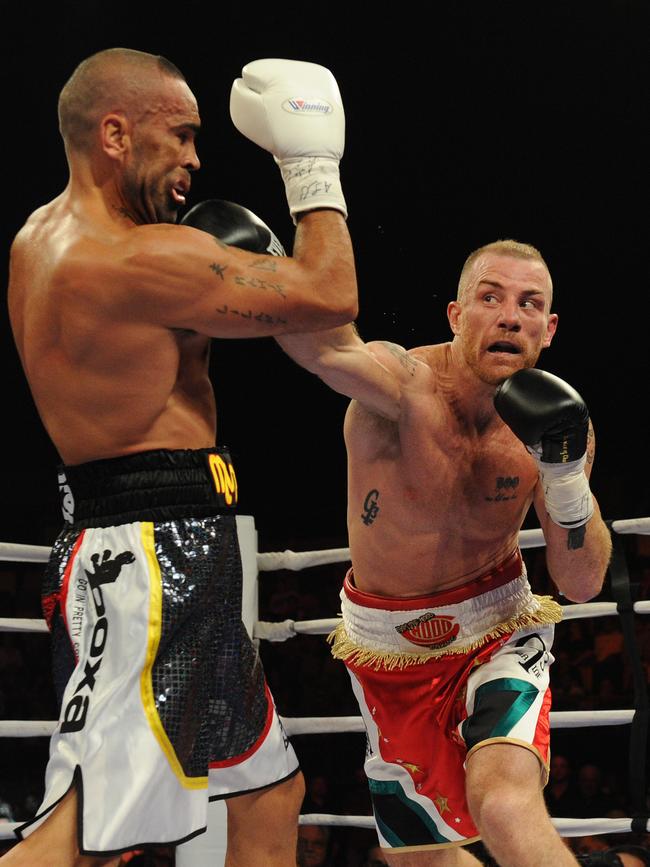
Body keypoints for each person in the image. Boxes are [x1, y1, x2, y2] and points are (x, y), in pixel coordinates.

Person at [5, 48, 357, 866]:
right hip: (152, 562)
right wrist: (312, 166)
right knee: (85, 832)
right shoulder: (137, 260)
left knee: (269, 794)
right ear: (116, 133)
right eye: (183, 135)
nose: (196, 159)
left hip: (152, 541)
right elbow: (331, 291)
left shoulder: (37, 239)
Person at [274, 239, 613, 865]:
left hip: (498, 627)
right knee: (418, 856)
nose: (510, 316)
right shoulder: (403, 385)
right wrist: (272, 261)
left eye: (529, 304)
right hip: (386, 647)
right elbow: (322, 346)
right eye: (491, 298)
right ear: (457, 316)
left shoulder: (559, 423)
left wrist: (566, 483)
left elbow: (583, 582)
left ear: (549, 329)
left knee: (504, 802)